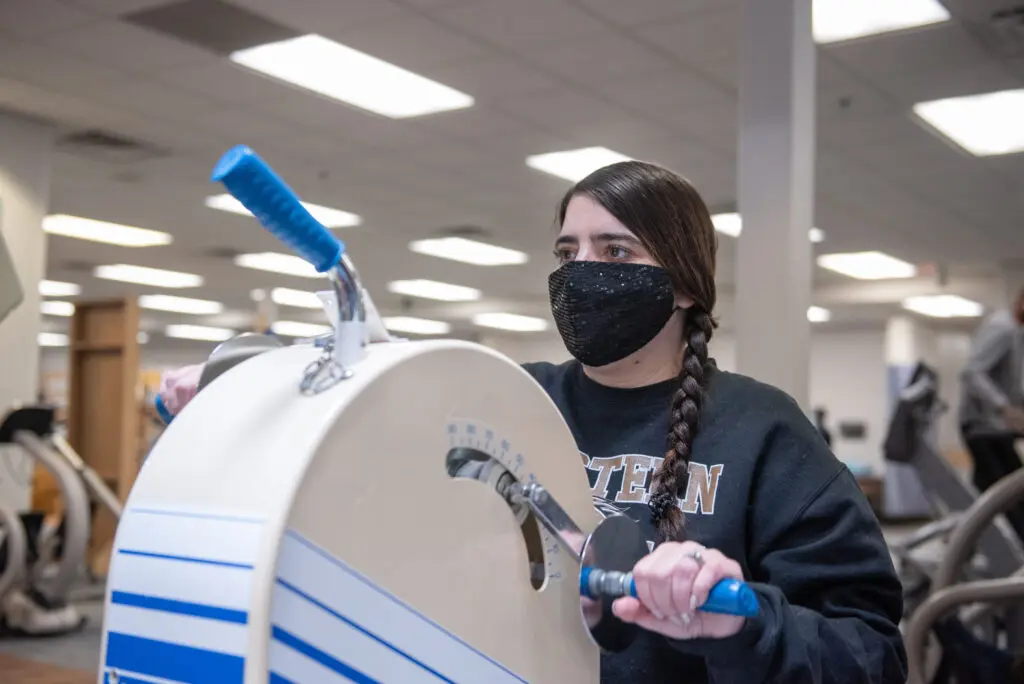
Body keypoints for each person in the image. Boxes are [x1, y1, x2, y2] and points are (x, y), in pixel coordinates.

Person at [158, 161, 907, 683]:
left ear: (681, 284)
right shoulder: (504, 400)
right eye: (566, 251)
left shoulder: (764, 433)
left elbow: (870, 654)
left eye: (615, 250)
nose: (582, 272)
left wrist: (744, 622)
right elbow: (369, 437)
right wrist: (246, 387)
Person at [959, 285, 1024, 538]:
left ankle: (967, 545)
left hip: (998, 429)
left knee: (993, 492)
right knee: (1009, 496)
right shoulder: (1003, 328)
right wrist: (1004, 407)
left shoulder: (1016, 333)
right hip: (983, 428)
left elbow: (1013, 381)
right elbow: (972, 372)